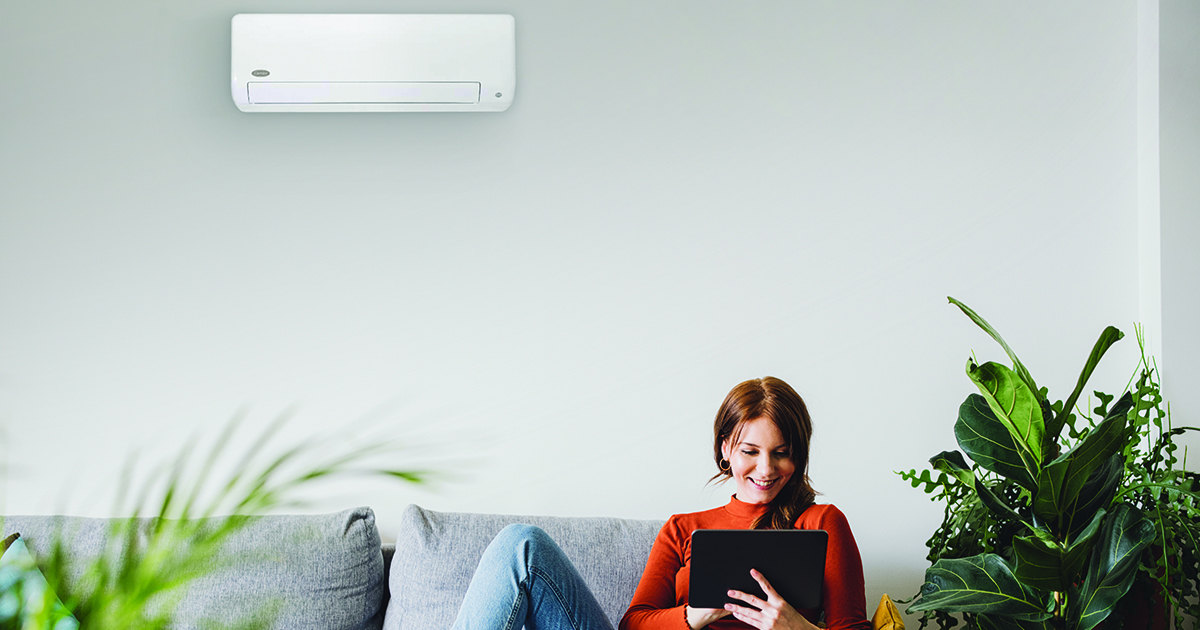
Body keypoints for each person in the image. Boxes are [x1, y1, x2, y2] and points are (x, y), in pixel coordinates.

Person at [450, 377, 871, 630]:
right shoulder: (683, 528)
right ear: (725, 448)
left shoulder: (821, 523)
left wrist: (793, 627)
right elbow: (633, 623)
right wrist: (696, 614)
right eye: (750, 451)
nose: (766, 468)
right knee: (521, 544)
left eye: (781, 452)